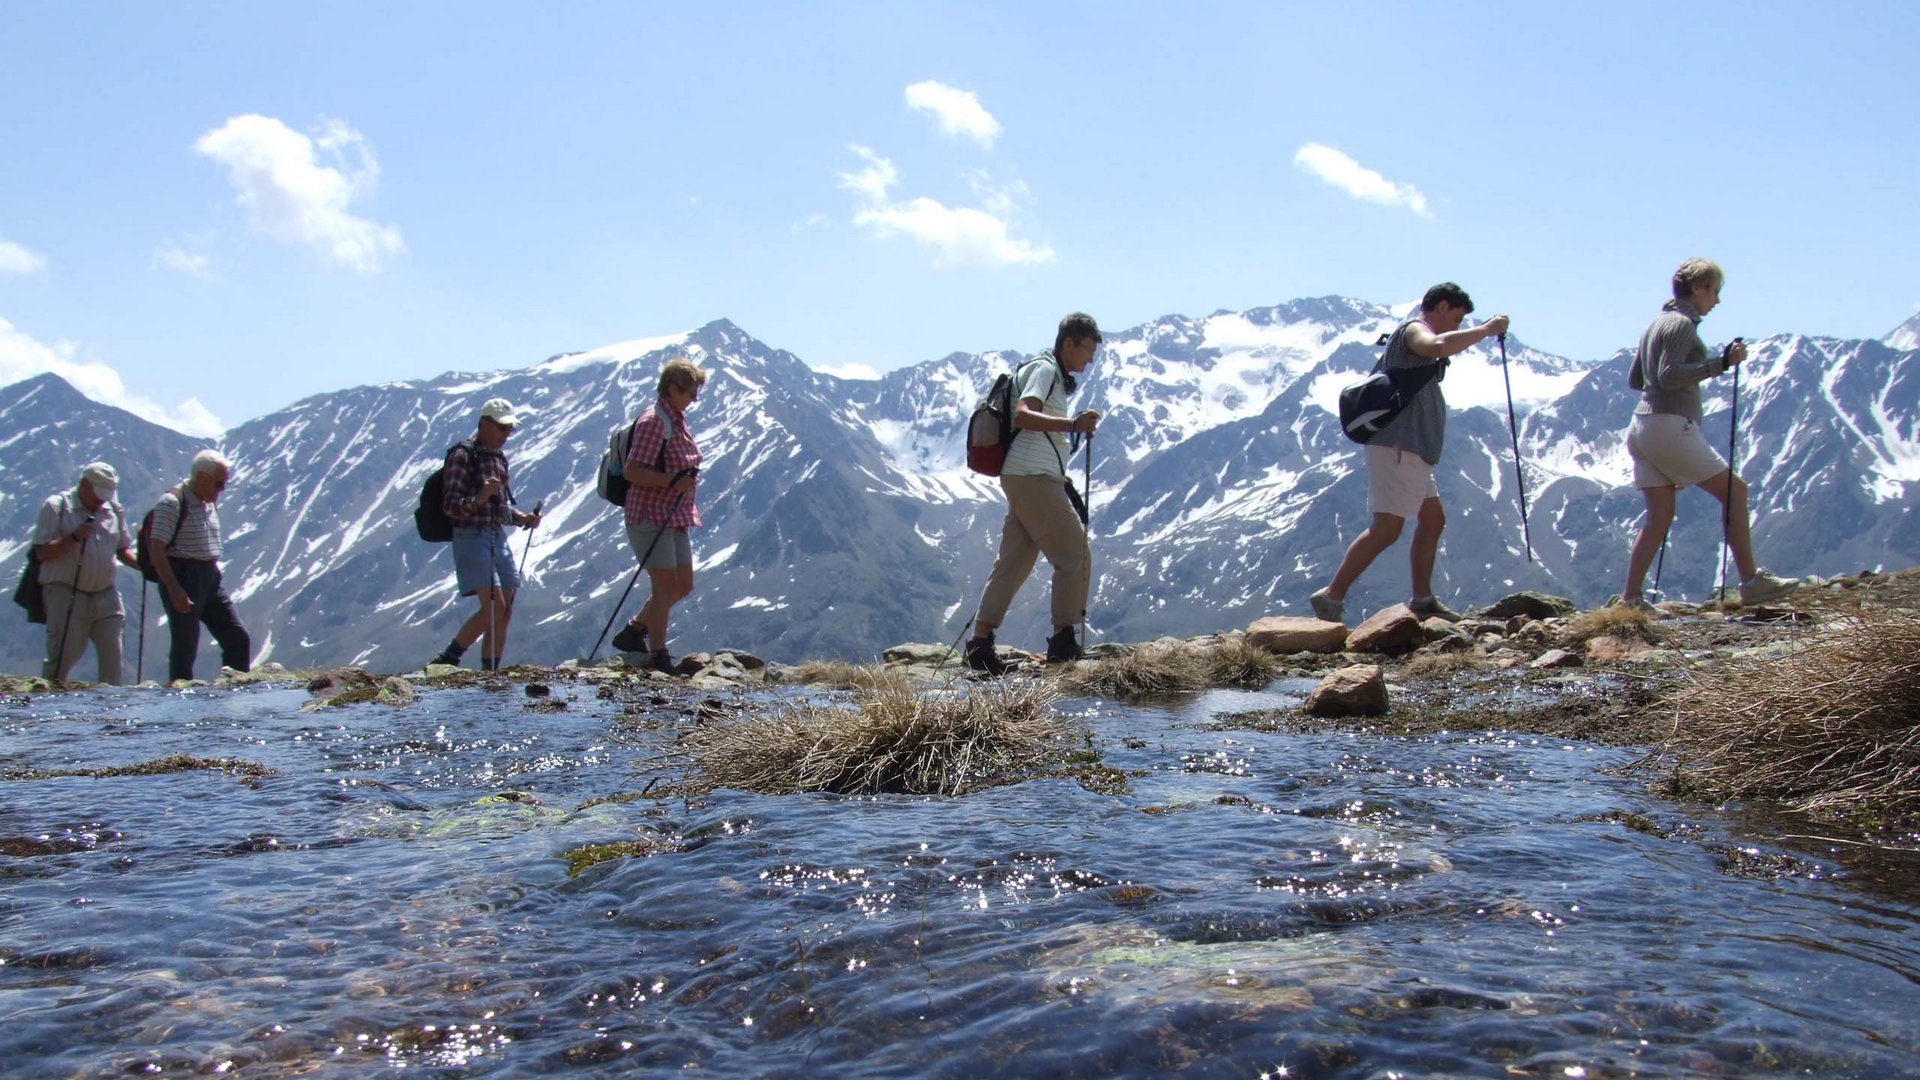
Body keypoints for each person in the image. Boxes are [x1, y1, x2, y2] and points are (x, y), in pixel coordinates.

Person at [1309, 283, 1510, 624]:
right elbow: (1437, 346)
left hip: (1408, 449)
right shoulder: (1414, 330)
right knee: (1387, 528)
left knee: (1433, 519)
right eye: (1457, 318)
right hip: (1398, 447)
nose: (1457, 327)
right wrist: (1487, 330)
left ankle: (1422, 599)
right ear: (1441, 306)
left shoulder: (1413, 337)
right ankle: (1332, 595)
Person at [1619, 258, 1799, 609]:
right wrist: (1722, 364)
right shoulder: (1682, 325)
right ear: (1697, 288)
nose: (1717, 299)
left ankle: (1631, 599)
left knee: (1659, 516)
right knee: (1735, 492)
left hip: (1641, 426)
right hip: (1669, 424)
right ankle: (1751, 583)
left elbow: (1637, 379)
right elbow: (1668, 375)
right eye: (1714, 290)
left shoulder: (1655, 324)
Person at [963, 312, 1103, 674]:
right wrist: (1072, 424)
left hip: (1021, 475)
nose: (1090, 360)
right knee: (1074, 553)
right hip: (1034, 475)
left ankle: (980, 645)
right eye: (1087, 350)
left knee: (1014, 562)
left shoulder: (1044, 369)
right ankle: (1063, 642)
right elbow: (1024, 415)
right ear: (1069, 343)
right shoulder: (1044, 370)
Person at [429, 398, 543, 670]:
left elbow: (499, 506)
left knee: (505, 609)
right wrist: (480, 497)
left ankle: (490, 670)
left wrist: (522, 518)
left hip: (496, 535)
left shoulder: (498, 459)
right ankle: (449, 657)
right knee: (494, 607)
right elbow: (451, 507)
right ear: (484, 425)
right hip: (471, 535)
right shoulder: (462, 456)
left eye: (510, 429)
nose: (507, 434)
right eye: (502, 428)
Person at [610, 358, 708, 673]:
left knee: (683, 584)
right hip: (650, 516)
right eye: (691, 393)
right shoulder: (654, 421)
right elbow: (633, 471)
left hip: (675, 515)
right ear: (673, 389)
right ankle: (659, 655)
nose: (694, 400)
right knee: (664, 587)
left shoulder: (675, 419)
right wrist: (672, 480)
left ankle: (634, 630)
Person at [148, 449, 252, 682]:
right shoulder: (172, 502)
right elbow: (157, 549)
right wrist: (174, 589)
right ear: (202, 477)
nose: (222, 490)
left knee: (237, 637)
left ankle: (235, 690)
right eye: (219, 484)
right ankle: (180, 695)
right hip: (183, 577)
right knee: (185, 645)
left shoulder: (208, 503)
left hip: (209, 578)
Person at [33, 462, 139, 684]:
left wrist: (143, 565)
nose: (101, 501)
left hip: (106, 594)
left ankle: (111, 702)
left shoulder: (113, 510)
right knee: (61, 658)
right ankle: (51, 697)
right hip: (66, 592)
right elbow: (42, 552)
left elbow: (122, 549)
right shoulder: (57, 507)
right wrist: (73, 537)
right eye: (98, 494)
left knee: (113, 658)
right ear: (84, 485)